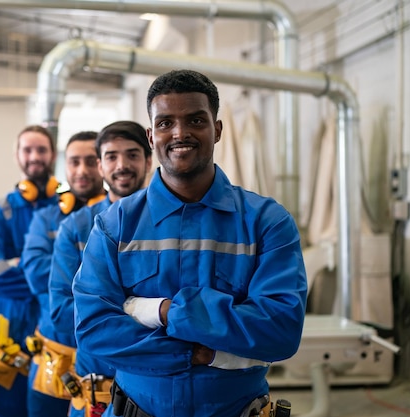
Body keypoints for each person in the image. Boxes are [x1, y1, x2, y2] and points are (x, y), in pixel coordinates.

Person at [72, 69, 308, 417]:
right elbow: (94, 329)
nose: (180, 132)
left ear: (217, 129)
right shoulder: (115, 225)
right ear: (152, 136)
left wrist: (162, 311)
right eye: (166, 123)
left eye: (195, 119)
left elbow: (281, 330)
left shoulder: (267, 222)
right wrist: (197, 353)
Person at [49, 120, 153, 417]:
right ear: (101, 165)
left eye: (132, 155)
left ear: (148, 160)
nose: (122, 165)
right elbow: (60, 312)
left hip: (153, 394)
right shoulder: (76, 228)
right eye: (111, 156)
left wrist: (102, 313)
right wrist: (144, 312)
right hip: (95, 396)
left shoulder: (169, 225)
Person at [21, 131, 106, 417]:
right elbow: (34, 273)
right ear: (64, 167)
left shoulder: (119, 217)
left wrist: (64, 266)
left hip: (101, 367)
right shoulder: (45, 219)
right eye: (74, 162)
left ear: (103, 164)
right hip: (53, 362)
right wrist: (99, 274)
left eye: (90, 161)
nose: (82, 170)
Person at [0, 124, 59, 417]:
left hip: (57, 341)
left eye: (41, 150)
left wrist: (22, 266)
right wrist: (53, 281)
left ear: (52, 155)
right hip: (10, 343)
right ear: (17, 156)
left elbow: (82, 274)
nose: (34, 156)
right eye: (28, 150)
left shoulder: (69, 211)